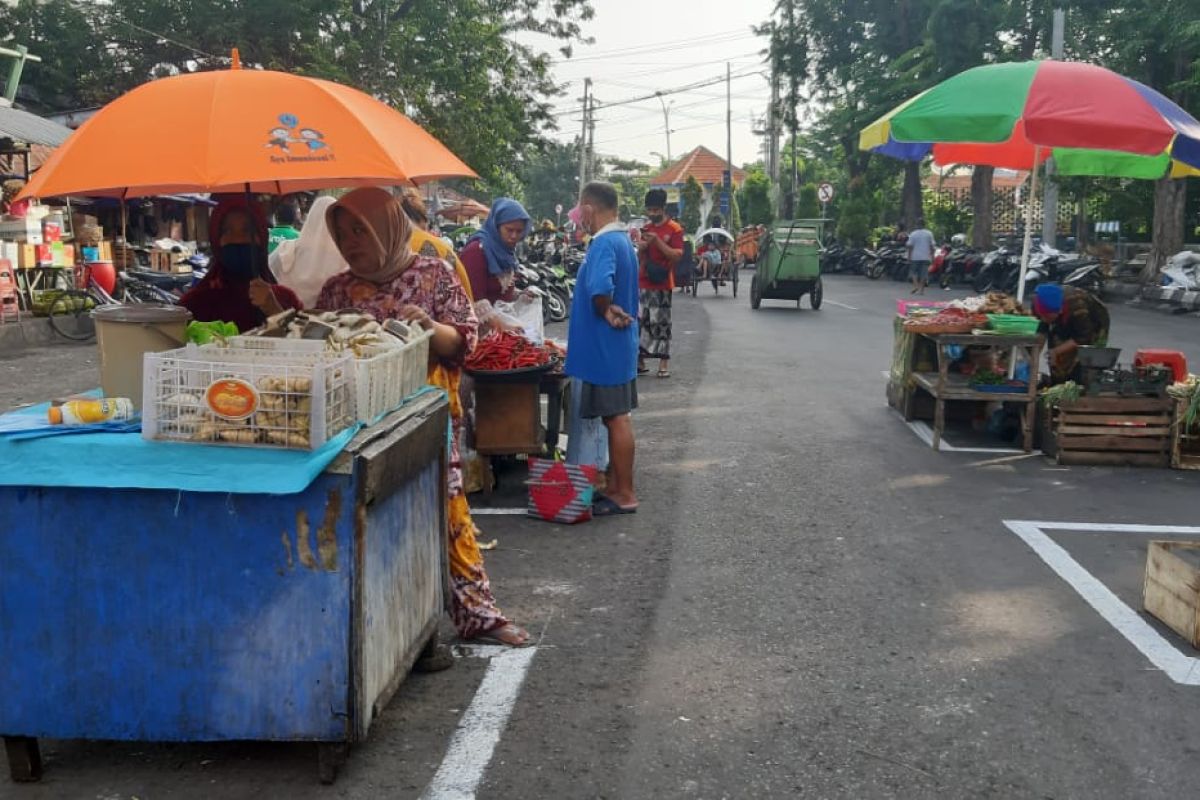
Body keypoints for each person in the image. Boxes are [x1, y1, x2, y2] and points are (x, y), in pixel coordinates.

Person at [316, 187, 529, 647]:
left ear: (387, 228)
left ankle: (479, 616)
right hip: (355, 426)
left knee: (446, 514)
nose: (351, 240)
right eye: (343, 232)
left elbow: (466, 341)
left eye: (361, 229)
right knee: (370, 521)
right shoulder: (335, 290)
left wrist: (431, 329)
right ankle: (384, 631)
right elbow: (318, 347)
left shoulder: (432, 274)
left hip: (426, 418)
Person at [565, 181, 640, 516]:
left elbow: (599, 287)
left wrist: (604, 309)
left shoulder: (604, 243)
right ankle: (614, 486)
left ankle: (625, 492)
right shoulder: (621, 239)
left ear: (590, 208)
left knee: (616, 419)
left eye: (581, 210)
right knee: (615, 418)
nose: (580, 217)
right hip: (615, 348)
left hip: (606, 349)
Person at [180, 196, 302, 331]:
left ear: (261, 238)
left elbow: (306, 346)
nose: (237, 239)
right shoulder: (194, 305)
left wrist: (274, 310)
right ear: (216, 240)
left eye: (247, 231)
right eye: (227, 231)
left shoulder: (286, 300)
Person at [268, 196, 348, 308]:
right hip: (330, 323)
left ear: (311, 218)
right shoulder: (345, 258)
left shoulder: (286, 250)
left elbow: (269, 273)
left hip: (288, 319)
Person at [637, 189, 683, 378]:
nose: (653, 213)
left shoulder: (674, 229)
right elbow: (640, 257)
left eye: (656, 210)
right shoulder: (646, 228)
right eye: (650, 210)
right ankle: (640, 361)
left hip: (662, 282)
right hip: (643, 281)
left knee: (661, 323)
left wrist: (657, 242)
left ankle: (664, 363)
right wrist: (642, 248)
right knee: (641, 322)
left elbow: (677, 255)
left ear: (664, 208)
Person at [1032, 284, 1111, 384]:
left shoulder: (1077, 306)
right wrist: (1033, 358)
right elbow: (1042, 331)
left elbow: (1083, 337)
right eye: (1046, 317)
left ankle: (1080, 385)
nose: (1046, 320)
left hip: (1093, 323)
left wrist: (1056, 351)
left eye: (1055, 314)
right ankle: (1058, 383)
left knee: (1082, 363)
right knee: (1057, 361)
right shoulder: (1038, 303)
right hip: (1066, 320)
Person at [458, 198, 532, 304]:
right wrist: (509, 321)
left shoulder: (507, 252)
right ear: (496, 226)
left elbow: (501, 294)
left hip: (501, 317)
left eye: (519, 231)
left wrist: (521, 295)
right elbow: (474, 301)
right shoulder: (476, 251)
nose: (514, 236)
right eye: (509, 230)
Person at [906, 217, 935, 295]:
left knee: (914, 272)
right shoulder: (929, 233)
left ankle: (916, 286)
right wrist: (932, 256)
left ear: (917, 225)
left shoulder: (913, 234)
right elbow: (932, 246)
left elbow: (910, 246)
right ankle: (921, 290)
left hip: (915, 257)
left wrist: (909, 256)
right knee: (924, 274)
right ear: (924, 225)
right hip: (925, 256)